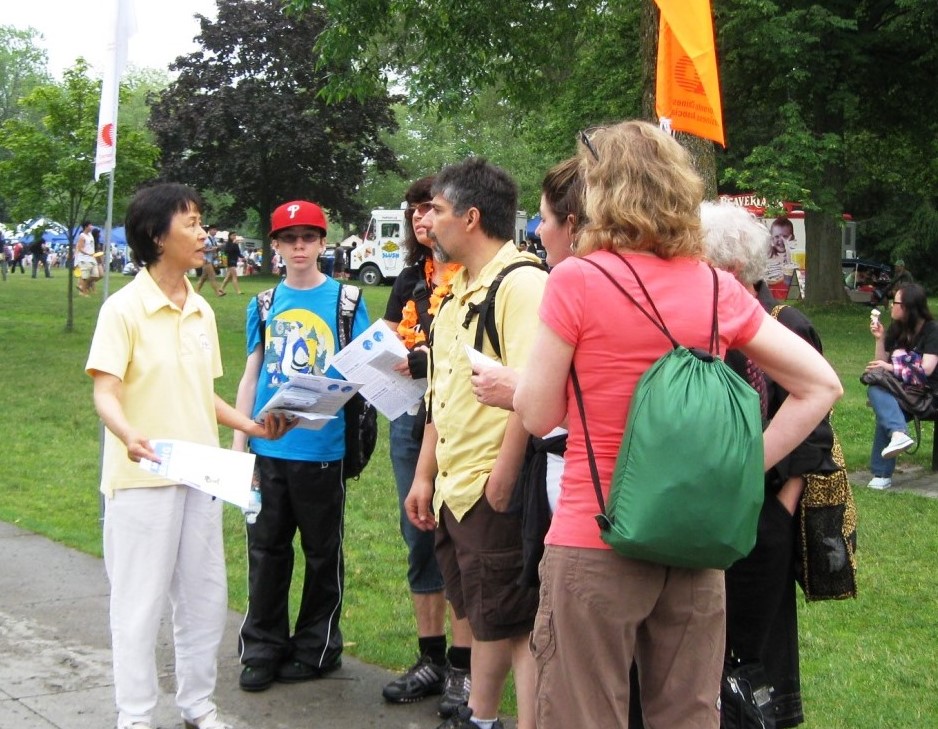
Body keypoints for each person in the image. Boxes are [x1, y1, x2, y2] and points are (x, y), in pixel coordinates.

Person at [513, 120, 842, 729]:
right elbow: (821, 385)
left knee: (583, 714)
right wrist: (741, 469)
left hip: (595, 536)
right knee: (688, 715)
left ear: (603, 191)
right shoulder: (716, 286)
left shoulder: (577, 279)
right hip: (694, 541)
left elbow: (537, 415)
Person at [85, 182, 292, 729]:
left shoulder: (200, 309)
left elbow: (203, 394)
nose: (204, 234)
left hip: (202, 475)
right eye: (192, 223)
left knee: (204, 600)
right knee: (138, 605)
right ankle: (135, 716)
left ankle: (198, 706)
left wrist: (251, 425)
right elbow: (105, 391)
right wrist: (128, 433)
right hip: (142, 478)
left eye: (202, 222)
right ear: (157, 236)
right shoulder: (122, 309)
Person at [405, 157, 548, 729]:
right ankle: (481, 717)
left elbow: (533, 390)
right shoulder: (457, 288)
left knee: (519, 626)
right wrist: (424, 476)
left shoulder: (522, 284)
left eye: (436, 209)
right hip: (456, 489)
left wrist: (504, 477)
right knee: (488, 617)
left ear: (470, 217)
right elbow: (441, 393)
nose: (426, 221)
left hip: (492, 487)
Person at [701, 201, 839, 727]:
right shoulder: (702, 322)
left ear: (731, 267)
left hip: (763, 514)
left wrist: (780, 510)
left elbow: (815, 430)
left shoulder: (784, 325)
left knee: (756, 648)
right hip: (706, 512)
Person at [234, 200, 370, 693]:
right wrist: (240, 443)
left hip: (322, 450)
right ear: (275, 245)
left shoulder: (347, 301)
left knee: (321, 552)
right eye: (289, 239)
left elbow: (362, 370)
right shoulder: (263, 303)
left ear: (322, 243)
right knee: (266, 550)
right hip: (268, 449)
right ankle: (262, 647)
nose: (299, 247)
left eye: (308, 238)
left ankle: (317, 647)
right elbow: (251, 374)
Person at [380, 176, 474, 717]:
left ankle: (463, 667)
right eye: (414, 210)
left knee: (457, 537)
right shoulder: (410, 278)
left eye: (429, 208)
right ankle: (430, 657)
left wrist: (428, 360)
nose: (420, 218)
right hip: (410, 419)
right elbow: (391, 332)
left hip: (458, 421)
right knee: (418, 537)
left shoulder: (473, 276)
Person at [864, 283, 938, 489]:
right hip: (904, 391)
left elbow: (926, 370)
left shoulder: (932, 330)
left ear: (908, 307)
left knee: (887, 408)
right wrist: (880, 339)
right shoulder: (897, 329)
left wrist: (889, 366)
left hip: (928, 395)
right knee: (875, 384)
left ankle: (882, 474)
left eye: (895, 302)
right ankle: (898, 435)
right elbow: (880, 365)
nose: (891, 306)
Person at [196, 225, 225, 297]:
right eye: (213, 230)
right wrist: (212, 249)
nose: (215, 231)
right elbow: (202, 249)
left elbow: (214, 249)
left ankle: (196, 291)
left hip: (210, 260)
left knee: (203, 278)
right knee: (212, 276)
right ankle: (218, 292)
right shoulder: (207, 239)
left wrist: (217, 249)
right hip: (206, 260)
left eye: (216, 230)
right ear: (209, 231)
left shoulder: (213, 239)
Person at [75, 221, 97, 295]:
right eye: (90, 225)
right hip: (84, 259)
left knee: (96, 275)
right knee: (84, 277)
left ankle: (82, 286)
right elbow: (80, 248)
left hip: (92, 258)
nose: (92, 226)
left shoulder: (90, 235)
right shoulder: (82, 236)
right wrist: (88, 254)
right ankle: (83, 292)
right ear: (86, 227)